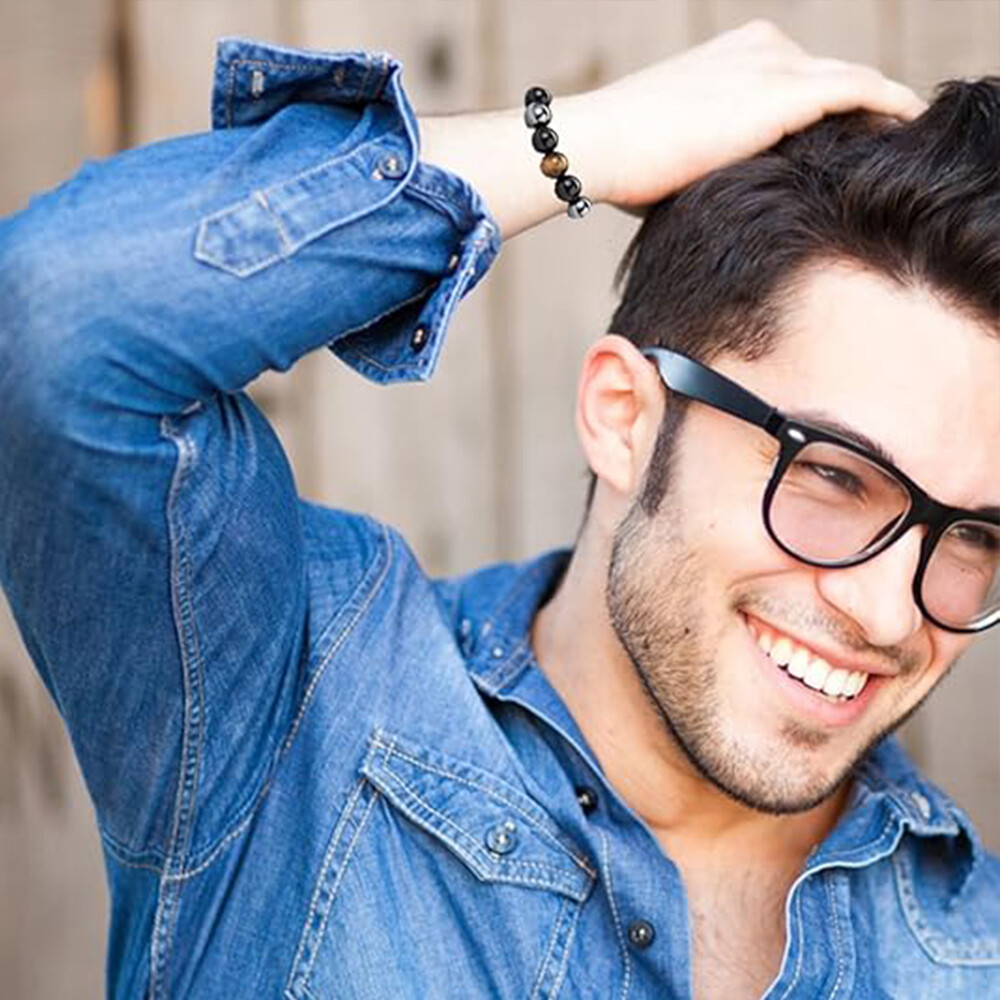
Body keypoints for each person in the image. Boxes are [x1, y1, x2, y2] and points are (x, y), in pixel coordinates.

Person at [0, 20, 997, 1000]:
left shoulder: (969, 953)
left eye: (975, 535)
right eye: (831, 475)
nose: (887, 614)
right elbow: (58, 322)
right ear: (624, 419)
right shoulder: (294, 711)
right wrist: (573, 144)